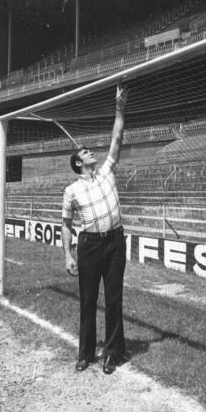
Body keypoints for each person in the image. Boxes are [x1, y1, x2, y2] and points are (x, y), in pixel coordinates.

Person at [61, 83, 128, 375]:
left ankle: (113, 353)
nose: (92, 154)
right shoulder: (72, 190)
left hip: (114, 242)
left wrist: (120, 107)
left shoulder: (106, 172)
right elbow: (65, 224)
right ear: (79, 163)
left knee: (114, 298)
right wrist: (67, 254)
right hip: (88, 246)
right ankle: (85, 353)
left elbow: (117, 136)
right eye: (86, 153)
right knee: (88, 300)